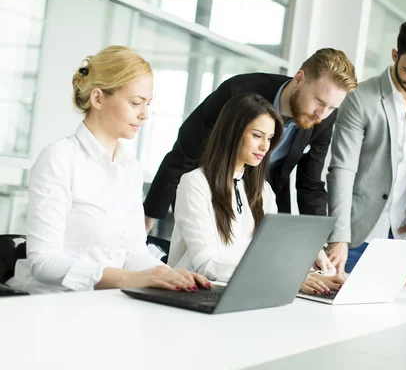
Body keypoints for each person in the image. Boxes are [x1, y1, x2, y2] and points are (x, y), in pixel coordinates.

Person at [7, 46, 210, 294]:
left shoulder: (130, 168)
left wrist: (170, 274)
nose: (144, 115)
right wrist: (128, 279)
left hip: (108, 302)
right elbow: (43, 263)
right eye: (136, 103)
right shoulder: (58, 158)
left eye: (148, 104)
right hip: (54, 304)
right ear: (98, 98)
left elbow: (133, 252)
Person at [143, 48, 358, 272]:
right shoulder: (238, 92)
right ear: (299, 78)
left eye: (332, 107)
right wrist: (147, 221)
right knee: (207, 260)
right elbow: (184, 154)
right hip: (211, 192)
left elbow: (310, 185)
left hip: (262, 196)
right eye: (319, 101)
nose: (322, 114)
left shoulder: (323, 118)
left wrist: (314, 245)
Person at [167, 92, 344, 294]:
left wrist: (305, 273)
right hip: (196, 294)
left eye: (269, 138)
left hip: (247, 292)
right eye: (257, 135)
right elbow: (206, 264)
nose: (265, 146)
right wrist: (279, 278)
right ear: (232, 132)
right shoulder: (195, 183)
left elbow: (269, 256)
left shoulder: (263, 190)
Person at [326, 17, 406, 274]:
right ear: (395, 55)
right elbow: (342, 168)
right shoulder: (360, 98)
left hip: (405, 237)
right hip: (357, 235)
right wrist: (339, 236)